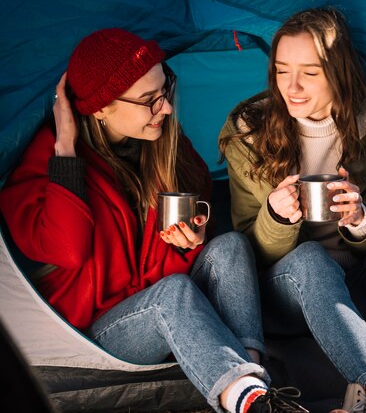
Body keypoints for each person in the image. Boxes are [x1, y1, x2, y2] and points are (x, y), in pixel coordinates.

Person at [0, 28, 308, 413]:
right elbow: (69, 249)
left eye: (166, 90)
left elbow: (197, 216)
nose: (164, 108)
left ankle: (255, 390)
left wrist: (194, 238)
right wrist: (65, 147)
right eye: (149, 100)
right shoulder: (48, 162)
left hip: (166, 296)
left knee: (231, 245)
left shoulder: (164, 143)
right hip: (102, 330)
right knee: (173, 294)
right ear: (100, 108)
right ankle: (249, 398)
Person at [219, 8, 366, 413]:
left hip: (356, 284)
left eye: (310, 73)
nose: (292, 86)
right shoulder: (249, 131)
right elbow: (243, 250)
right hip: (288, 291)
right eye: (282, 71)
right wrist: (276, 217)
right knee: (310, 258)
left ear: (338, 72)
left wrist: (361, 219)